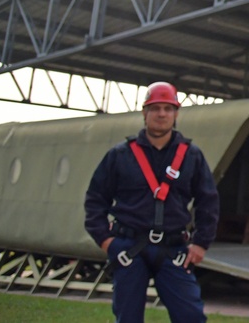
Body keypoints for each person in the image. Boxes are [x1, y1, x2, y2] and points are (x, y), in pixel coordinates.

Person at [84, 81, 220, 323]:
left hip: (174, 249)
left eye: (168, 109)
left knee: (190, 317)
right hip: (128, 248)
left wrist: (200, 244)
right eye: (155, 108)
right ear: (145, 113)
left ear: (176, 114)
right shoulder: (120, 155)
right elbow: (95, 200)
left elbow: (208, 202)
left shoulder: (191, 156)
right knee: (128, 319)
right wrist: (107, 242)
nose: (162, 114)